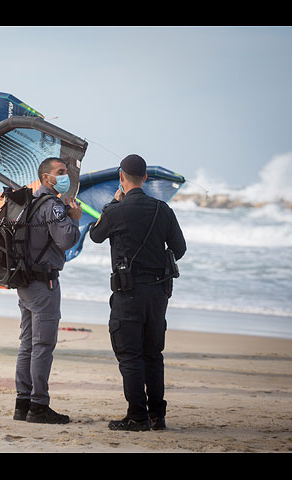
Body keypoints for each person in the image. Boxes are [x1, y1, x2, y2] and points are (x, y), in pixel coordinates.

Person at [89, 154, 186, 431]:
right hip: (158, 295)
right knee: (153, 355)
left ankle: (137, 416)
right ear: (145, 178)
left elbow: (96, 236)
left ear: (121, 176)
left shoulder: (115, 210)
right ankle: (157, 415)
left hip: (128, 293)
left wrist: (113, 204)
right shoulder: (162, 209)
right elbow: (179, 249)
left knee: (130, 356)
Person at [13, 157, 82, 424]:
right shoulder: (52, 205)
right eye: (61, 172)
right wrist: (74, 219)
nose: (66, 176)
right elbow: (66, 240)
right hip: (44, 283)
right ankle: (39, 407)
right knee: (43, 345)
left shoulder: (29, 201)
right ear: (46, 178)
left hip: (25, 281)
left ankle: (22, 403)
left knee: (28, 344)